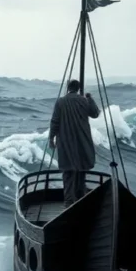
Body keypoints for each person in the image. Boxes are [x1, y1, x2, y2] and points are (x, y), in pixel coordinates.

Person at [48, 79, 101, 207]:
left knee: (68, 171)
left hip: (66, 141)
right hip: (82, 140)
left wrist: (51, 138)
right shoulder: (84, 100)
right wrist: (90, 98)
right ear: (78, 89)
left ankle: (69, 201)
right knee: (82, 169)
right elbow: (95, 113)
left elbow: (54, 122)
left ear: (67, 87)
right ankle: (80, 198)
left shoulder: (60, 102)